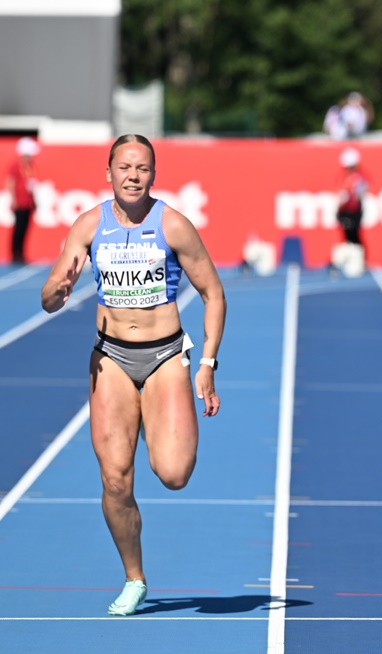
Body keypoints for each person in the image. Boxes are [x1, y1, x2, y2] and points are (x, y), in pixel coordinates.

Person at [40, 134, 227, 615]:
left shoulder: (174, 226)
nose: (132, 175)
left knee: (174, 473)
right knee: (116, 481)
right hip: (111, 361)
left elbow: (214, 295)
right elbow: (48, 297)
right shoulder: (88, 225)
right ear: (109, 173)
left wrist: (206, 364)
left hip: (165, 358)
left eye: (142, 168)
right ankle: (134, 578)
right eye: (124, 167)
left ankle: (157, 419)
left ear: (153, 175)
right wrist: (59, 291)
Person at [7, 136, 41, 264]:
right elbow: (10, 182)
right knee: (18, 229)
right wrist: (13, 199)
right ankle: (15, 253)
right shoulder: (16, 166)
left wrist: (34, 201)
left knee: (25, 229)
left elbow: (31, 185)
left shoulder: (30, 166)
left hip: (28, 203)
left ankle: (21, 253)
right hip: (20, 202)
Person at [336, 147, 369, 246]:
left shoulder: (358, 178)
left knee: (354, 235)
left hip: (353, 211)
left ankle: (357, 256)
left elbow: (359, 194)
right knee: (347, 236)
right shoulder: (345, 177)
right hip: (345, 210)